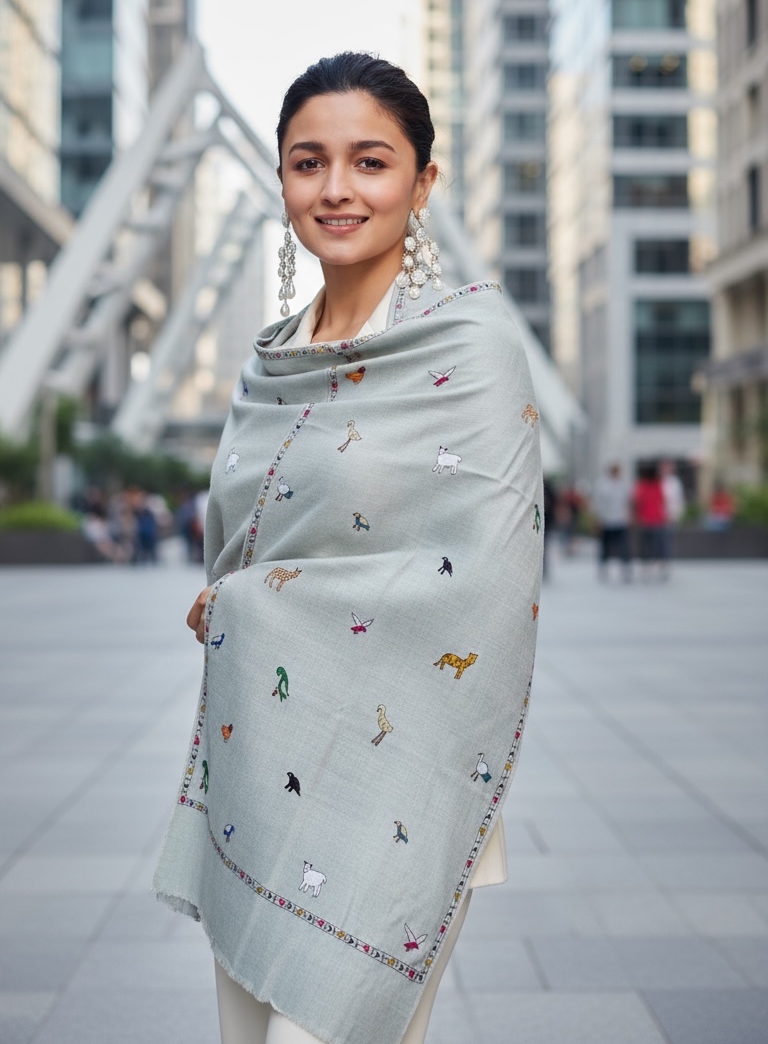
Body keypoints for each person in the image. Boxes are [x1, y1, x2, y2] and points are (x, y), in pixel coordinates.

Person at [153, 53, 542, 1044]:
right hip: (265, 752)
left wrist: (253, 601)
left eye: (369, 162)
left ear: (422, 183)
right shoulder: (271, 358)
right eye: (305, 162)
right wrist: (231, 597)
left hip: (400, 764)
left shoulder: (471, 345)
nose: (334, 189)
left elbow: (485, 575)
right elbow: (240, 548)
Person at [592, 463, 632, 581]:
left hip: (620, 521)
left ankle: (625, 569)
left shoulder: (623, 485)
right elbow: (598, 503)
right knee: (605, 547)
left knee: (623, 547)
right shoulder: (603, 485)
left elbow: (627, 502)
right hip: (606, 521)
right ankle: (603, 569)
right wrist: (598, 519)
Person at [632, 462, 668, 578]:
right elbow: (662, 502)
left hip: (648, 520)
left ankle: (648, 564)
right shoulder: (656, 485)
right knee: (655, 545)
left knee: (648, 545)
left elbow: (636, 502)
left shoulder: (643, 486)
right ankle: (655, 564)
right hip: (654, 519)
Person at [659, 460, 685, 565]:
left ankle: (667, 558)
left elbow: (679, 499)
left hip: (670, 514)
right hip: (658, 515)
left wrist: (678, 513)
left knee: (668, 538)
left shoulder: (675, 482)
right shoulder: (658, 480)